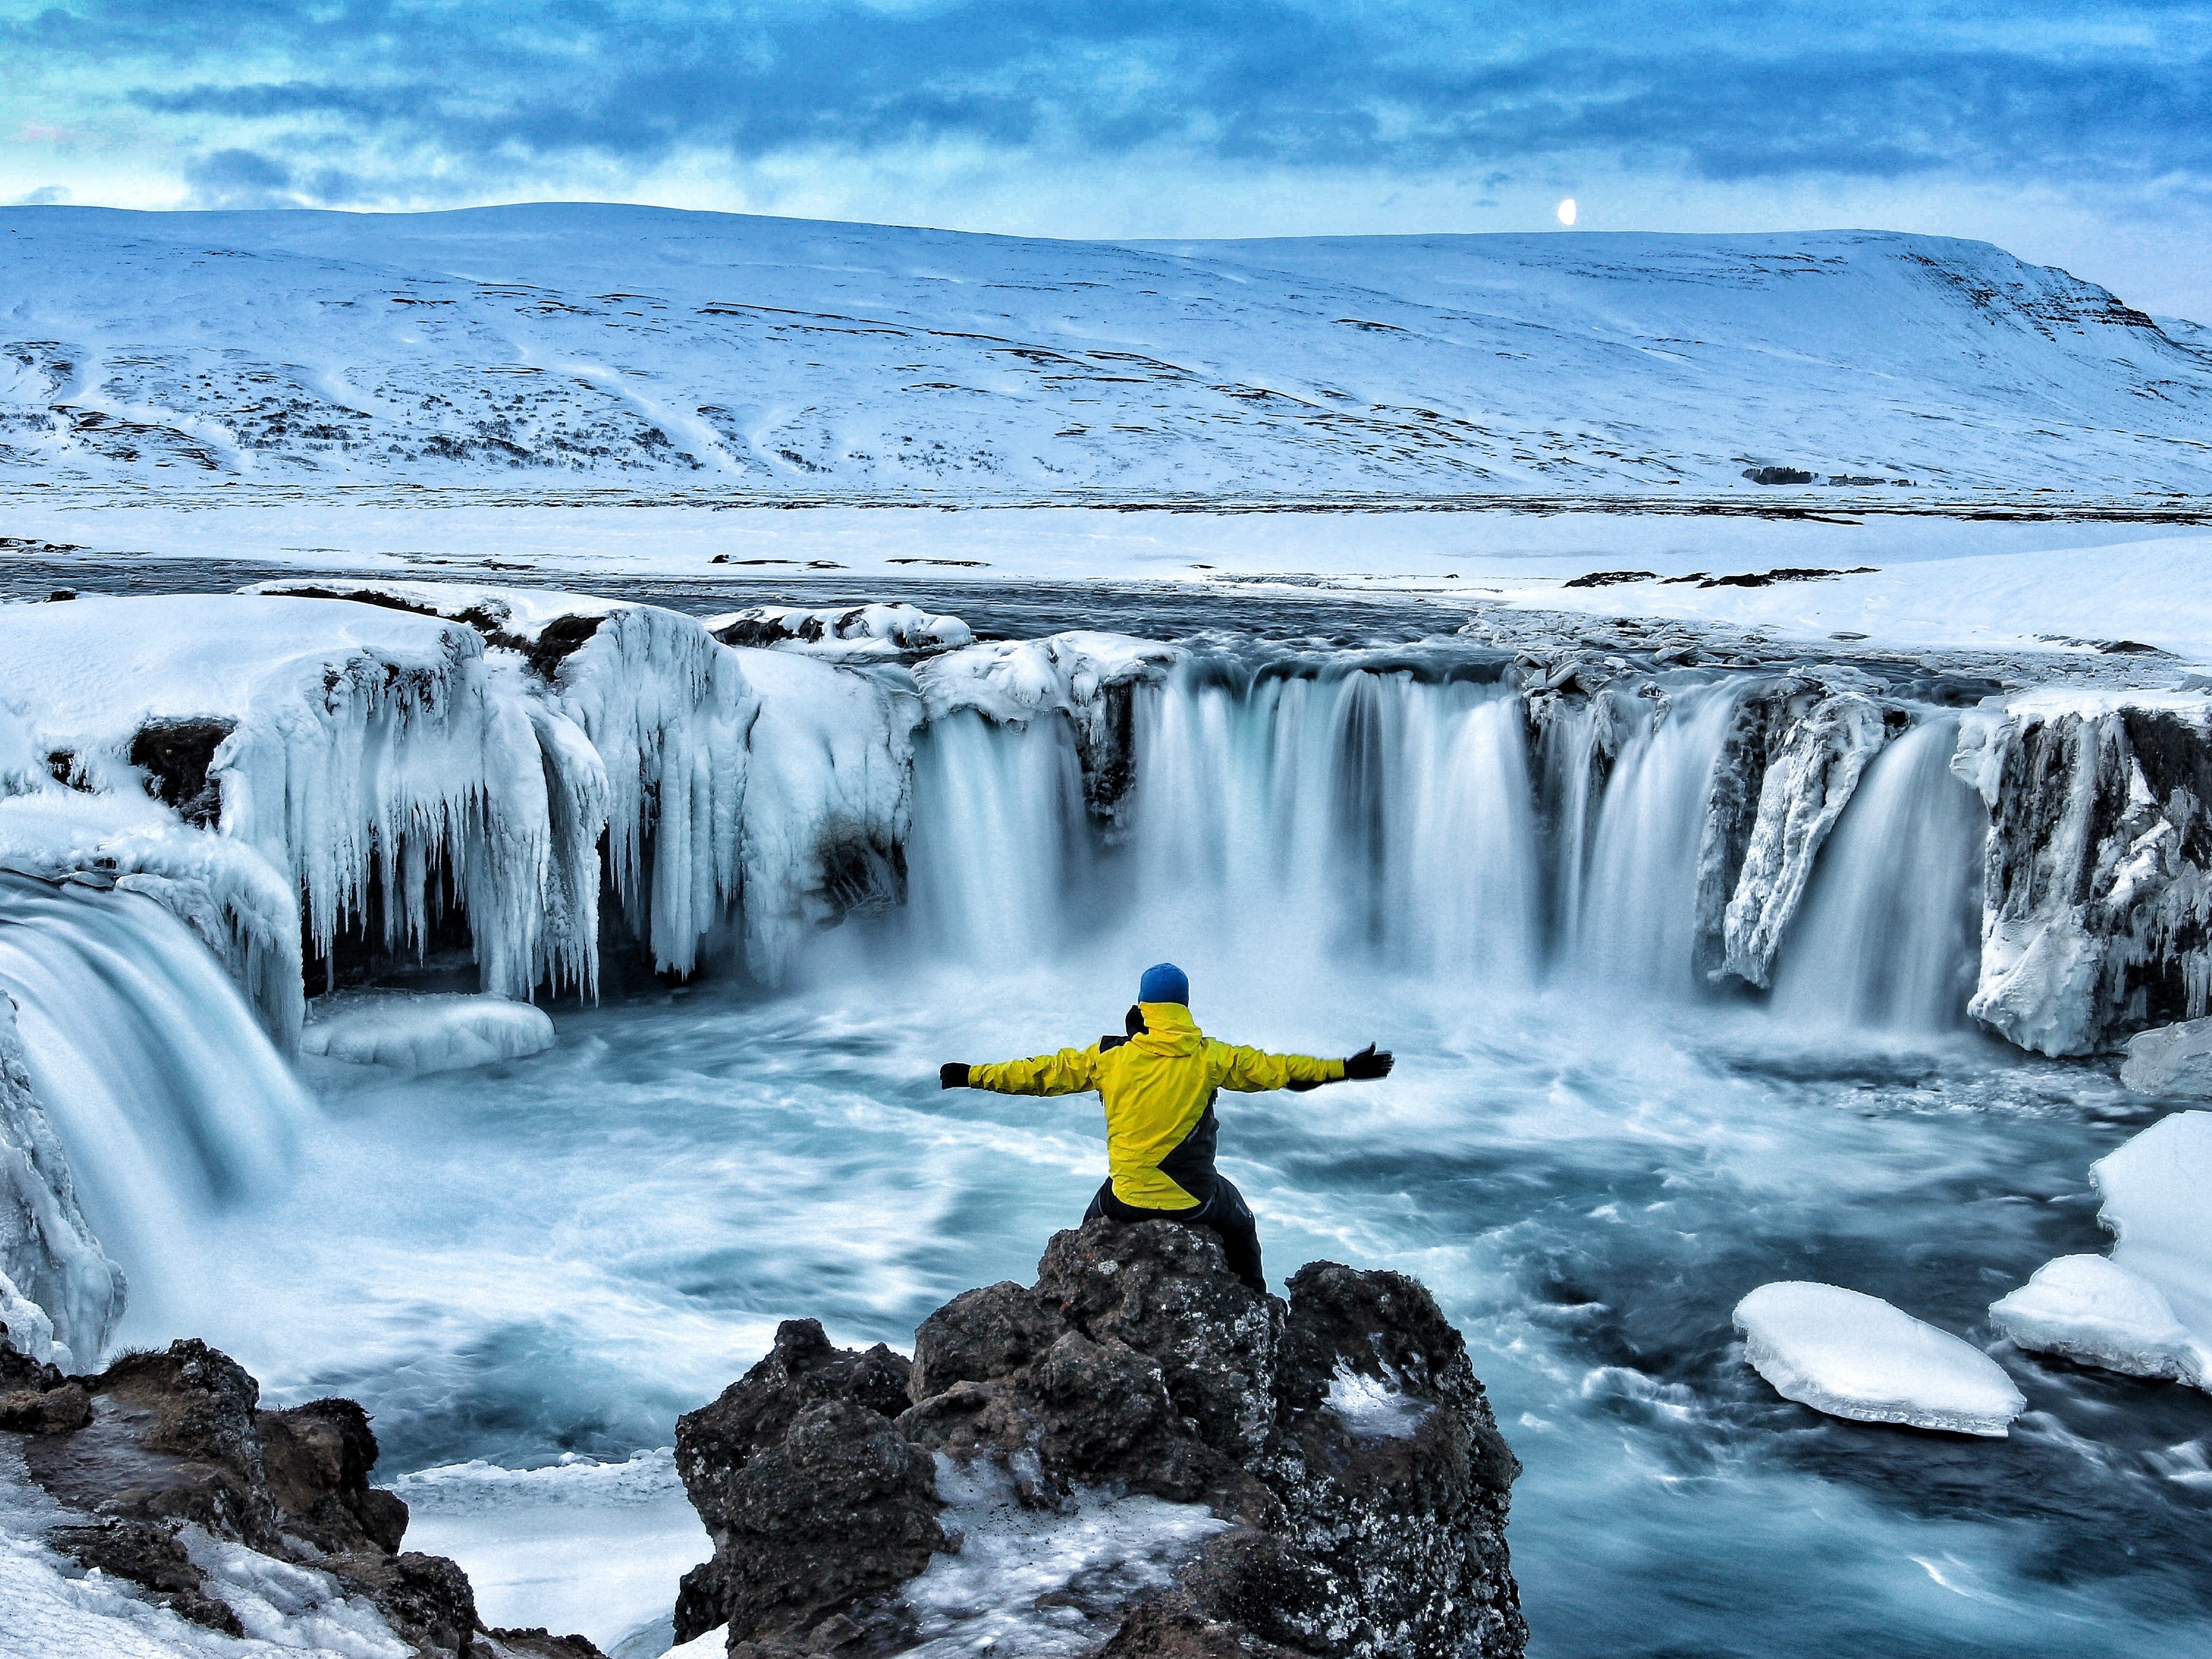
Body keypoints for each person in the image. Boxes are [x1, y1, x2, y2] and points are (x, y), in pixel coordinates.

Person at [937, 962, 1393, 1291]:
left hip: (1126, 1201)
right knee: (1240, 1218)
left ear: (1141, 1007)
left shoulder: (1107, 1057)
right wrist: (1344, 1069)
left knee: (1093, 1217)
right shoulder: (1212, 1057)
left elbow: (1036, 1075)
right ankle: (1254, 1299)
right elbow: (1281, 1071)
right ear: (1184, 1006)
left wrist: (970, 1074)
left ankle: (1074, 1280)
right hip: (1195, 1201)